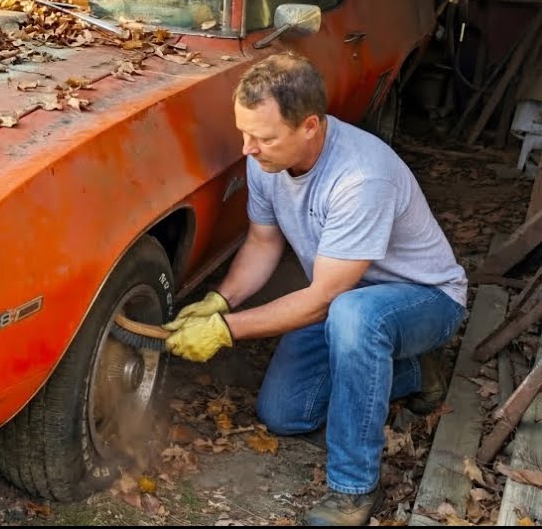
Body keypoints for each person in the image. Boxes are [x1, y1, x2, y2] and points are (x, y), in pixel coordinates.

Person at [161, 52, 468, 526]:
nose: (248, 149)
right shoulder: (269, 164)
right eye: (244, 133)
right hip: (346, 302)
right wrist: (221, 300)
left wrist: (225, 329)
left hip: (423, 299)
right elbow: (263, 244)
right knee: (284, 413)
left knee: (355, 316)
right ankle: (414, 374)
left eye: (262, 137)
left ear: (310, 126)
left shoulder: (361, 177)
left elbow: (325, 297)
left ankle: (352, 493)